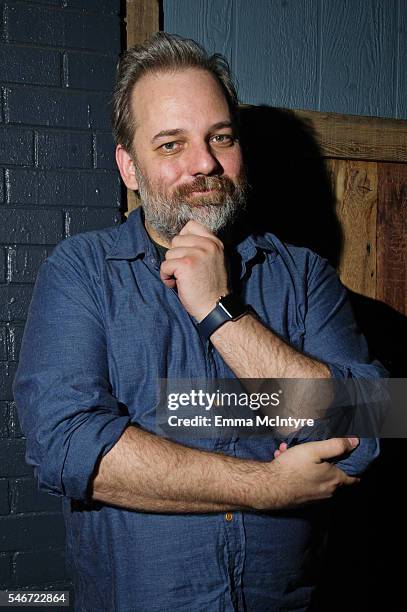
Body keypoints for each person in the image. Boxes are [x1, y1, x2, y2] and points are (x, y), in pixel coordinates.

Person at [13, 32, 385, 612]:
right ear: (128, 167)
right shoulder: (82, 271)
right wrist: (269, 486)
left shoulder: (304, 274)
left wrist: (221, 312)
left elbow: (371, 430)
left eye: (221, 137)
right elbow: (66, 446)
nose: (205, 164)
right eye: (170, 145)